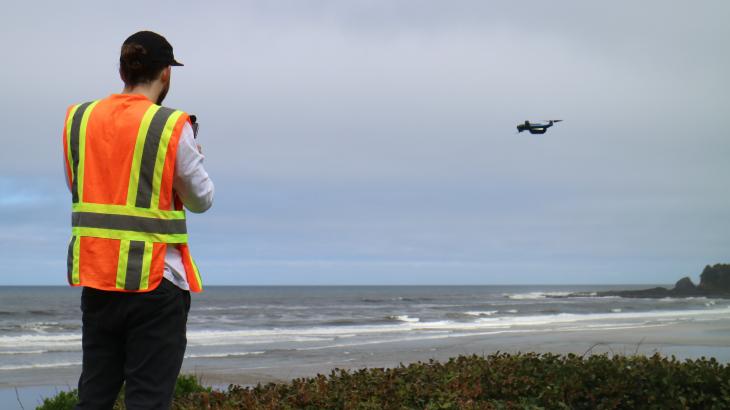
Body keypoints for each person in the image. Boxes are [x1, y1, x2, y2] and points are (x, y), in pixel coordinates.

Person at [62, 31, 214, 409]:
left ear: (122, 71)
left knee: (93, 398)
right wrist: (193, 155)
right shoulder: (170, 126)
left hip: (99, 280)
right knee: (148, 401)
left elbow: (79, 186)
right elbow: (202, 199)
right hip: (156, 282)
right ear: (166, 74)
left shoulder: (79, 119)